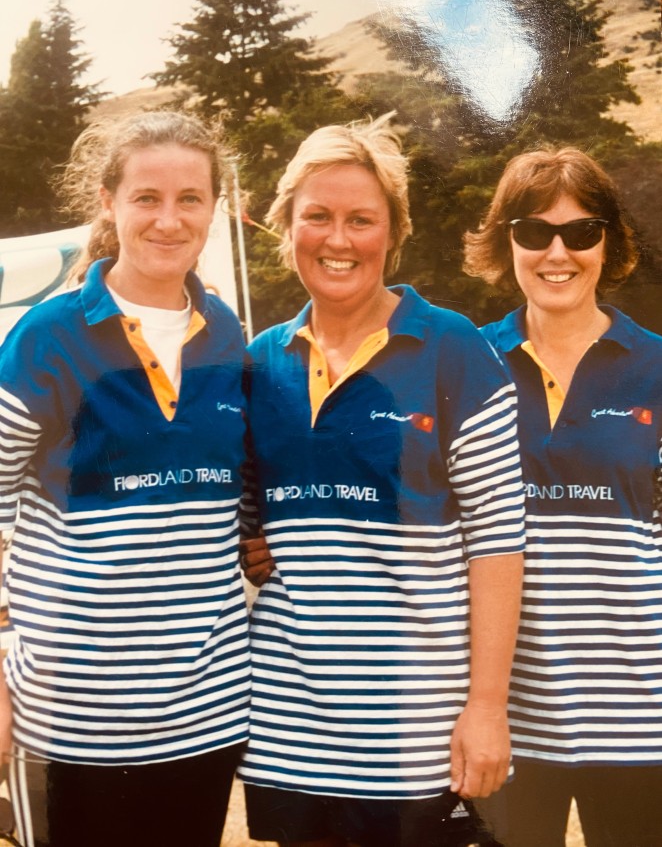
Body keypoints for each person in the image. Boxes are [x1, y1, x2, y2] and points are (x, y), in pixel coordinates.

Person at [238, 114, 526, 847]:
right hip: (289, 737)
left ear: (391, 232)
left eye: (361, 219)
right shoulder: (258, 363)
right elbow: (232, 511)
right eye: (319, 217)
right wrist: (247, 539)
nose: (339, 239)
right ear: (287, 227)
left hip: (417, 745)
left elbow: (498, 540)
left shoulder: (454, 348)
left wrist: (487, 706)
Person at [0, 110, 251, 847]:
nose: (168, 219)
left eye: (190, 198)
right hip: (72, 724)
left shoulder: (229, 335)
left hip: (206, 717)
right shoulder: (49, 337)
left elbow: (233, 497)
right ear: (108, 202)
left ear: (215, 207)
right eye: (146, 197)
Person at [463, 147, 662, 847]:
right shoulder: (464, 366)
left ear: (608, 241)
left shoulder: (658, 367)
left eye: (581, 232)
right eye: (533, 230)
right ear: (503, 240)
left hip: (643, 721)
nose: (558, 251)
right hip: (502, 723)